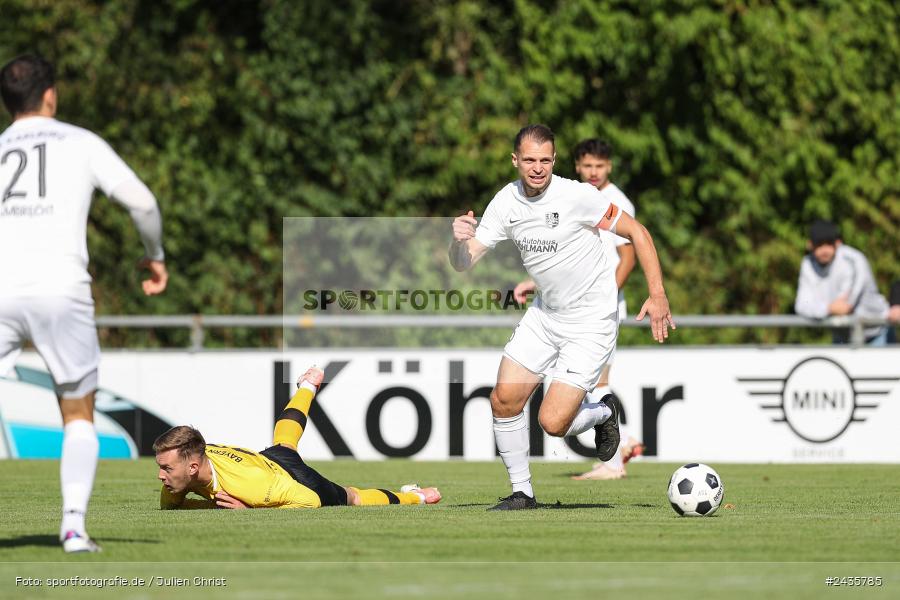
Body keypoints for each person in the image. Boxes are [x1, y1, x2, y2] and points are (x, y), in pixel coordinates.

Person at [449, 124, 674, 510]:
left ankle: (604, 411)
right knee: (503, 400)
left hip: (590, 323)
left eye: (545, 160)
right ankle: (523, 494)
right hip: (545, 317)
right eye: (529, 160)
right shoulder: (505, 202)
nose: (537, 168)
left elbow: (637, 232)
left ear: (554, 160)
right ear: (515, 160)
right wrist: (456, 241)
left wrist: (658, 294)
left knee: (552, 424)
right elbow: (464, 261)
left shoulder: (577, 196)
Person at [0, 54, 168, 553]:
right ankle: (73, 528)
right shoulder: (80, 141)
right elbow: (143, 203)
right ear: (50, 94)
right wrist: (154, 255)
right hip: (61, 288)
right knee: (77, 414)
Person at [512, 139, 643, 481]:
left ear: (609, 167)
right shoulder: (574, 197)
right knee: (584, 384)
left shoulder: (616, 201)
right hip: (571, 308)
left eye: (599, 166)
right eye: (587, 166)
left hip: (599, 309)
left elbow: (628, 257)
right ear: (577, 165)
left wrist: (605, 300)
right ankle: (624, 441)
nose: (593, 172)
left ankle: (614, 462)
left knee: (595, 382)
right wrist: (535, 282)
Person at [153, 366, 441, 509]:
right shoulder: (192, 460)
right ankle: (307, 387)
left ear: (192, 468)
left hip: (292, 478)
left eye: (166, 468)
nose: (160, 476)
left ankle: (414, 497)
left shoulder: (253, 488)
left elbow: (309, 501)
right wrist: (210, 507)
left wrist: (250, 511)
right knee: (284, 442)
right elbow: (170, 506)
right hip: (265, 460)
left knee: (350, 497)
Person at [794, 220, 890, 345]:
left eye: (828, 244)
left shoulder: (853, 260)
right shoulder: (807, 264)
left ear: (838, 243)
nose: (824, 250)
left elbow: (846, 306)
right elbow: (801, 306)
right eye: (819, 245)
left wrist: (824, 308)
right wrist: (828, 308)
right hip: (843, 337)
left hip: (876, 333)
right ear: (810, 245)